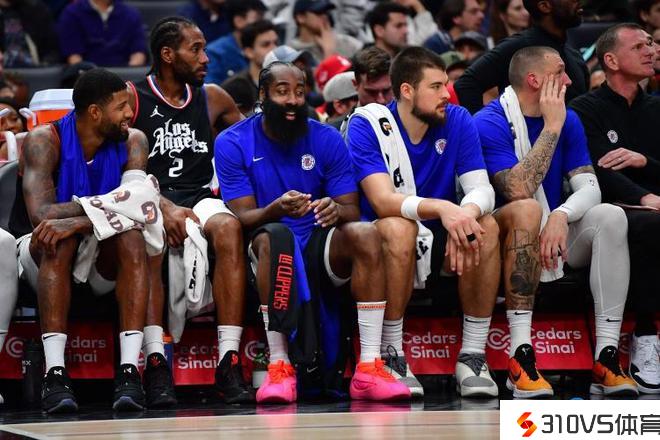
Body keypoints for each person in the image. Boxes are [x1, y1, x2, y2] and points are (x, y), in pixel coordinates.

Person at [215, 61, 411, 403]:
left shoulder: (326, 138)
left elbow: (350, 208)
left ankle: (369, 367)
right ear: (263, 95)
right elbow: (243, 217)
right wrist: (276, 208)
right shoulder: (233, 141)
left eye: (299, 92)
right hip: (264, 243)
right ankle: (279, 366)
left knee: (366, 233)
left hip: (318, 235)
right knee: (276, 237)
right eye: (282, 92)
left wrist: (335, 208)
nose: (293, 100)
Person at [475, 46, 637, 398]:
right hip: (502, 238)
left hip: (551, 233)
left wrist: (562, 215)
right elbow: (517, 189)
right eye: (560, 72)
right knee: (527, 210)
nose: (569, 81)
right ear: (535, 80)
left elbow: (590, 187)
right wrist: (551, 127)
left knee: (610, 216)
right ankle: (520, 356)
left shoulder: (569, 118)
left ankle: (606, 358)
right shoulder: (489, 121)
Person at [346, 46, 501, 398]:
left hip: (441, 231)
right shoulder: (368, 125)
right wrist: (444, 208)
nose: (447, 93)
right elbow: (383, 201)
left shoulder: (458, 119)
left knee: (486, 225)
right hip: (384, 237)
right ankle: (392, 353)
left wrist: (463, 214)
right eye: (436, 86)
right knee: (399, 227)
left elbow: (481, 189)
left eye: (446, 84)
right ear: (407, 90)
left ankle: (473, 356)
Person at [9, 68, 157, 412]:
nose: (130, 114)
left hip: (99, 249)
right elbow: (41, 215)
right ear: (95, 112)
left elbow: (140, 207)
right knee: (56, 239)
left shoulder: (133, 140)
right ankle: (55, 374)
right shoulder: (44, 140)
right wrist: (107, 207)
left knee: (133, 239)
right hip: (37, 251)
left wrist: (79, 219)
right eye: (121, 107)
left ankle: (129, 372)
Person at [128, 16, 251, 407]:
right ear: (168, 55)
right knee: (149, 239)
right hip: (147, 197)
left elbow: (252, 144)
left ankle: (229, 361)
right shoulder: (132, 98)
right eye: (195, 49)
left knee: (229, 228)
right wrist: (163, 207)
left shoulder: (213, 97)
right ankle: (156, 362)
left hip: (199, 196)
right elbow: (116, 165)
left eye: (204, 49)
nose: (205, 58)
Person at [570, 23, 660, 394]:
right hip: (611, 210)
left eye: (651, 43)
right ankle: (646, 335)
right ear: (610, 60)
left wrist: (644, 161)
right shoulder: (584, 109)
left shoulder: (657, 107)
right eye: (639, 46)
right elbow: (597, 171)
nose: (651, 50)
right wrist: (646, 198)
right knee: (647, 225)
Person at [455, 0, 589, 114]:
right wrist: (483, 129)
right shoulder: (519, 47)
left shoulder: (574, 56)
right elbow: (467, 83)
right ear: (545, 6)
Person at [57, 0, 147, 67]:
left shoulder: (131, 14)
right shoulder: (72, 13)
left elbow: (138, 53)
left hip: (123, 76)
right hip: (88, 77)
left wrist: (127, 78)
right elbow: (74, 57)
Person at [221, 20, 279, 115]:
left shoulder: (286, 81)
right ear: (249, 52)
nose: (274, 49)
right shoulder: (235, 88)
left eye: (276, 43)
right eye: (266, 45)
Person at [205, 0, 267, 85]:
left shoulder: (267, 48)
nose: (264, 25)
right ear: (239, 21)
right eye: (258, 19)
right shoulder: (215, 53)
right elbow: (209, 89)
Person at [289, 0, 362, 64]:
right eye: (318, 12)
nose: (324, 16)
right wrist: (329, 52)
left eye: (326, 12)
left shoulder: (348, 44)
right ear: (300, 17)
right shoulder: (291, 52)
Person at [0, 0, 60, 67]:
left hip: (35, 69)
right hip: (4, 69)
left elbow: (52, 50)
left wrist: (45, 66)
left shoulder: (37, 9)